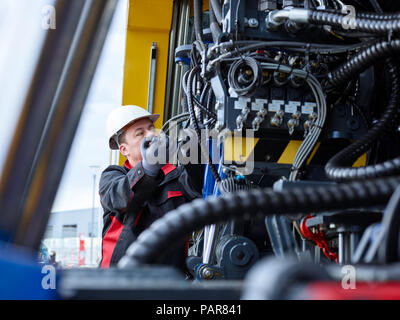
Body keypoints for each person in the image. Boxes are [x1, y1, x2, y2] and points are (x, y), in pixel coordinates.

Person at [99, 105, 202, 269]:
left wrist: (194, 148)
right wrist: (148, 169)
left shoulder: (177, 176)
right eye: (140, 133)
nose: (151, 135)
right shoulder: (112, 176)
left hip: (167, 284)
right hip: (119, 283)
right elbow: (119, 197)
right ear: (124, 149)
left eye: (151, 129)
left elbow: (200, 187)